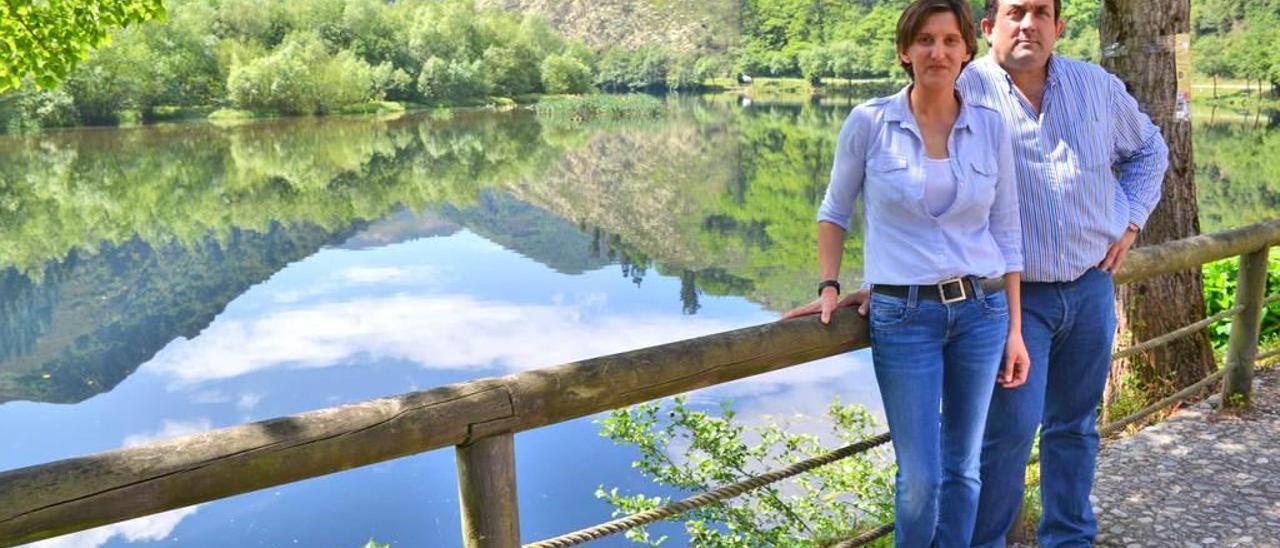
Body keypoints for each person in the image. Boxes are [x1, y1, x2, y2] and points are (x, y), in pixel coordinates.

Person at [782, 1, 1028, 545]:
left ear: (967, 50)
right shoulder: (870, 122)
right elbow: (834, 211)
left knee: (964, 468)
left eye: (948, 41)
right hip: (902, 316)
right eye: (924, 41)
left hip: (981, 313)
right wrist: (830, 286)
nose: (936, 52)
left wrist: (1014, 328)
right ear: (904, 51)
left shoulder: (990, 126)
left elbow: (1008, 233)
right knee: (920, 478)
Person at [954, 1, 1169, 546]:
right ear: (988, 28)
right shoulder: (962, 92)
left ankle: (1068, 538)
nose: (1028, 23)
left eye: (1041, 12)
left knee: (1075, 427)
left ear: (1059, 26)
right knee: (1005, 435)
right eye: (1015, 12)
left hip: (1090, 290)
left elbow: (1149, 150)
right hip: (1007, 302)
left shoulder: (1095, 85)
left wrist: (1131, 222)